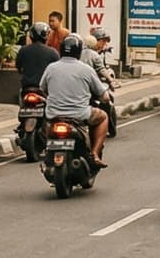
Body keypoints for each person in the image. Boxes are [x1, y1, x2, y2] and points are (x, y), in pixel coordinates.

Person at [40, 35, 110, 164]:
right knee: (104, 117)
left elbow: (42, 88)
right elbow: (103, 95)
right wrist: (105, 98)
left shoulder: (51, 68)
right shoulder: (87, 70)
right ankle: (94, 153)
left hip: (54, 115)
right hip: (80, 114)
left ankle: (46, 150)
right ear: (79, 52)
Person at [14, 23, 58, 91]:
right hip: (45, 89)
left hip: (26, 87)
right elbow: (56, 72)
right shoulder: (53, 52)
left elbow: (18, 67)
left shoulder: (23, 50)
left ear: (31, 35)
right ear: (46, 36)